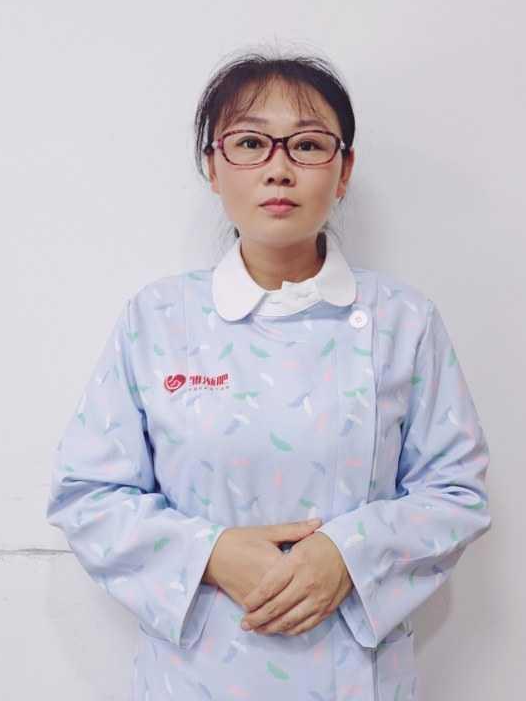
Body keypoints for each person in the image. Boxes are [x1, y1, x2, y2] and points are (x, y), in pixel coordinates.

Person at [45, 51, 492, 700]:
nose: (278, 168)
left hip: (353, 677)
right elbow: (87, 494)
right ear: (213, 166)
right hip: (193, 679)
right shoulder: (159, 318)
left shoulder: (403, 321)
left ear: (343, 170)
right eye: (251, 143)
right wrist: (210, 554)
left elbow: (455, 492)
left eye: (306, 145)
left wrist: (348, 555)